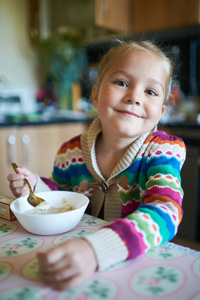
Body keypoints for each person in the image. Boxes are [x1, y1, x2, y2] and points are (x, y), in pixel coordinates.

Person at [7, 40, 186, 290]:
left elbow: (167, 211)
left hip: (137, 269)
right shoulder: (70, 152)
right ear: (95, 94)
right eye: (122, 83)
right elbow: (63, 195)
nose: (134, 96)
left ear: (161, 112)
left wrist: (95, 250)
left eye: (150, 92)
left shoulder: (162, 151)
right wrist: (36, 188)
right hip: (76, 266)